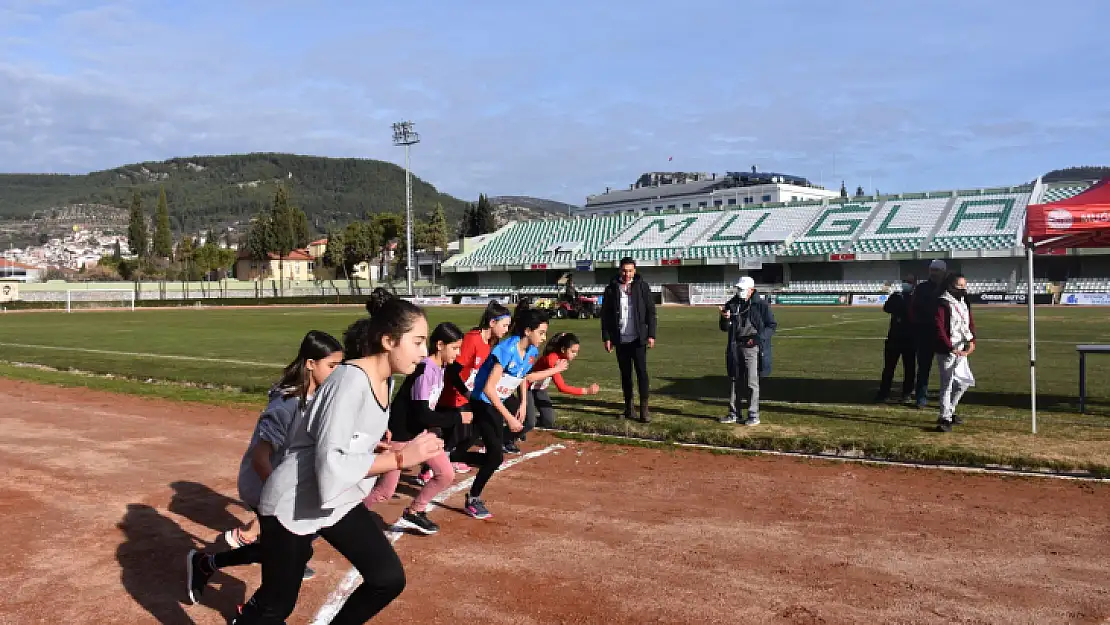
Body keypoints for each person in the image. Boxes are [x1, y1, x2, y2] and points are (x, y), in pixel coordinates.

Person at [233, 291, 445, 625]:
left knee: (387, 577)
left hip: (334, 499)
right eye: (418, 341)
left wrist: (377, 447)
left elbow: (338, 439)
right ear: (389, 341)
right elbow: (330, 464)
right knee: (275, 608)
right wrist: (402, 459)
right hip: (294, 501)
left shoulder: (385, 380)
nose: (424, 352)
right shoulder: (349, 381)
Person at [186, 331, 343, 604]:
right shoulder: (286, 404)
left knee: (291, 548)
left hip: (289, 484)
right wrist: (281, 496)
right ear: (310, 364)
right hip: (263, 485)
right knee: (288, 553)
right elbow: (261, 457)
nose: (337, 373)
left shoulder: (319, 398)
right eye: (332, 366)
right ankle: (257, 611)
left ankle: (207, 564)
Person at [366, 322, 473, 536]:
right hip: (401, 436)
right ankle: (342, 517)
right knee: (384, 492)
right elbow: (421, 413)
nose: (458, 353)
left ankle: (414, 512)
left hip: (418, 433)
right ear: (440, 345)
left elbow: (434, 404)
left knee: (445, 473)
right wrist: (456, 417)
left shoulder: (440, 367)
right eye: (455, 348)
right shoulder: (424, 371)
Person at [452, 308, 554, 520]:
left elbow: (523, 378)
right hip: (483, 402)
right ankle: (473, 498)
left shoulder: (532, 352)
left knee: (469, 448)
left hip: (497, 402)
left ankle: (449, 455)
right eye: (541, 332)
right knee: (495, 456)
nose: (543, 338)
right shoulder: (506, 349)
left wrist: (524, 403)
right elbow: (489, 389)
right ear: (527, 331)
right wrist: (509, 417)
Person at [438, 301, 512, 469]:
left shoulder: (490, 344)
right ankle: (431, 468)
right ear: (492, 322)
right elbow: (452, 371)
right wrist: (466, 394)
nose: (506, 330)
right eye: (504, 325)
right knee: (456, 435)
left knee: (480, 424)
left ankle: (465, 456)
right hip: (455, 395)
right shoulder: (472, 340)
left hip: (470, 395)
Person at [600, 256, 657, 423]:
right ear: (620, 270)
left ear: (635, 271)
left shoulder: (643, 287)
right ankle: (629, 408)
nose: (627, 274)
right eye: (624, 270)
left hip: (638, 339)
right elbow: (605, 315)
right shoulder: (611, 289)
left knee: (642, 374)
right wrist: (607, 337)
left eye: (630, 271)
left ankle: (644, 410)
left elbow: (651, 312)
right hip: (620, 338)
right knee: (625, 375)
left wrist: (651, 334)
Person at [718, 277, 776, 425]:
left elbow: (771, 326)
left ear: (751, 290)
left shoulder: (761, 305)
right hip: (735, 345)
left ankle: (753, 415)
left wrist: (758, 338)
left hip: (752, 347)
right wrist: (724, 318)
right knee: (734, 380)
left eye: (743, 289)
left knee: (751, 381)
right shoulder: (731, 304)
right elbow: (724, 327)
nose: (740, 292)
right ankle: (734, 413)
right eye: (738, 289)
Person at [516, 332, 598, 437]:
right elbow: (561, 387)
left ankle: (524, 424)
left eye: (577, 352)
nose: (575, 355)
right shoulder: (552, 359)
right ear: (563, 350)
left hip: (539, 388)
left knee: (548, 420)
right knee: (530, 422)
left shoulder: (561, 358)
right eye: (573, 351)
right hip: (526, 386)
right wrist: (586, 391)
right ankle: (512, 435)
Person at [934, 273, 976, 433]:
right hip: (947, 349)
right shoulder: (943, 303)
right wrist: (949, 347)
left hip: (961, 348)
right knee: (947, 383)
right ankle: (945, 417)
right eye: (960, 286)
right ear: (950, 286)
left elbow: (969, 322)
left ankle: (949, 411)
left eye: (965, 286)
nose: (963, 289)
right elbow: (939, 327)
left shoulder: (964, 301)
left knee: (964, 382)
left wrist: (972, 342)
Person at [909, 259, 948, 408]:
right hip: (924, 333)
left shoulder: (949, 287)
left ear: (943, 271)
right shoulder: (922, 288)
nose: (933, 272)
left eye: (937, 270)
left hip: (944, 334)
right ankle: (921, 397)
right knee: (923, 367)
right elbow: (913, 309)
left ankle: (946, 398)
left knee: (947, 369)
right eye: (932, 269)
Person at [875, 275, 917, 405]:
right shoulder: (896, 296)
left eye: (909, 282)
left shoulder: (916, 298)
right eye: (904, 281)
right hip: (894, 337)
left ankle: (907, 393)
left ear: (914, 284)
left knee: (909, 368)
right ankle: (883, 393)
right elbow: (887, 308)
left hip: (910, 338)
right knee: (889, 368)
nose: (906, 284)